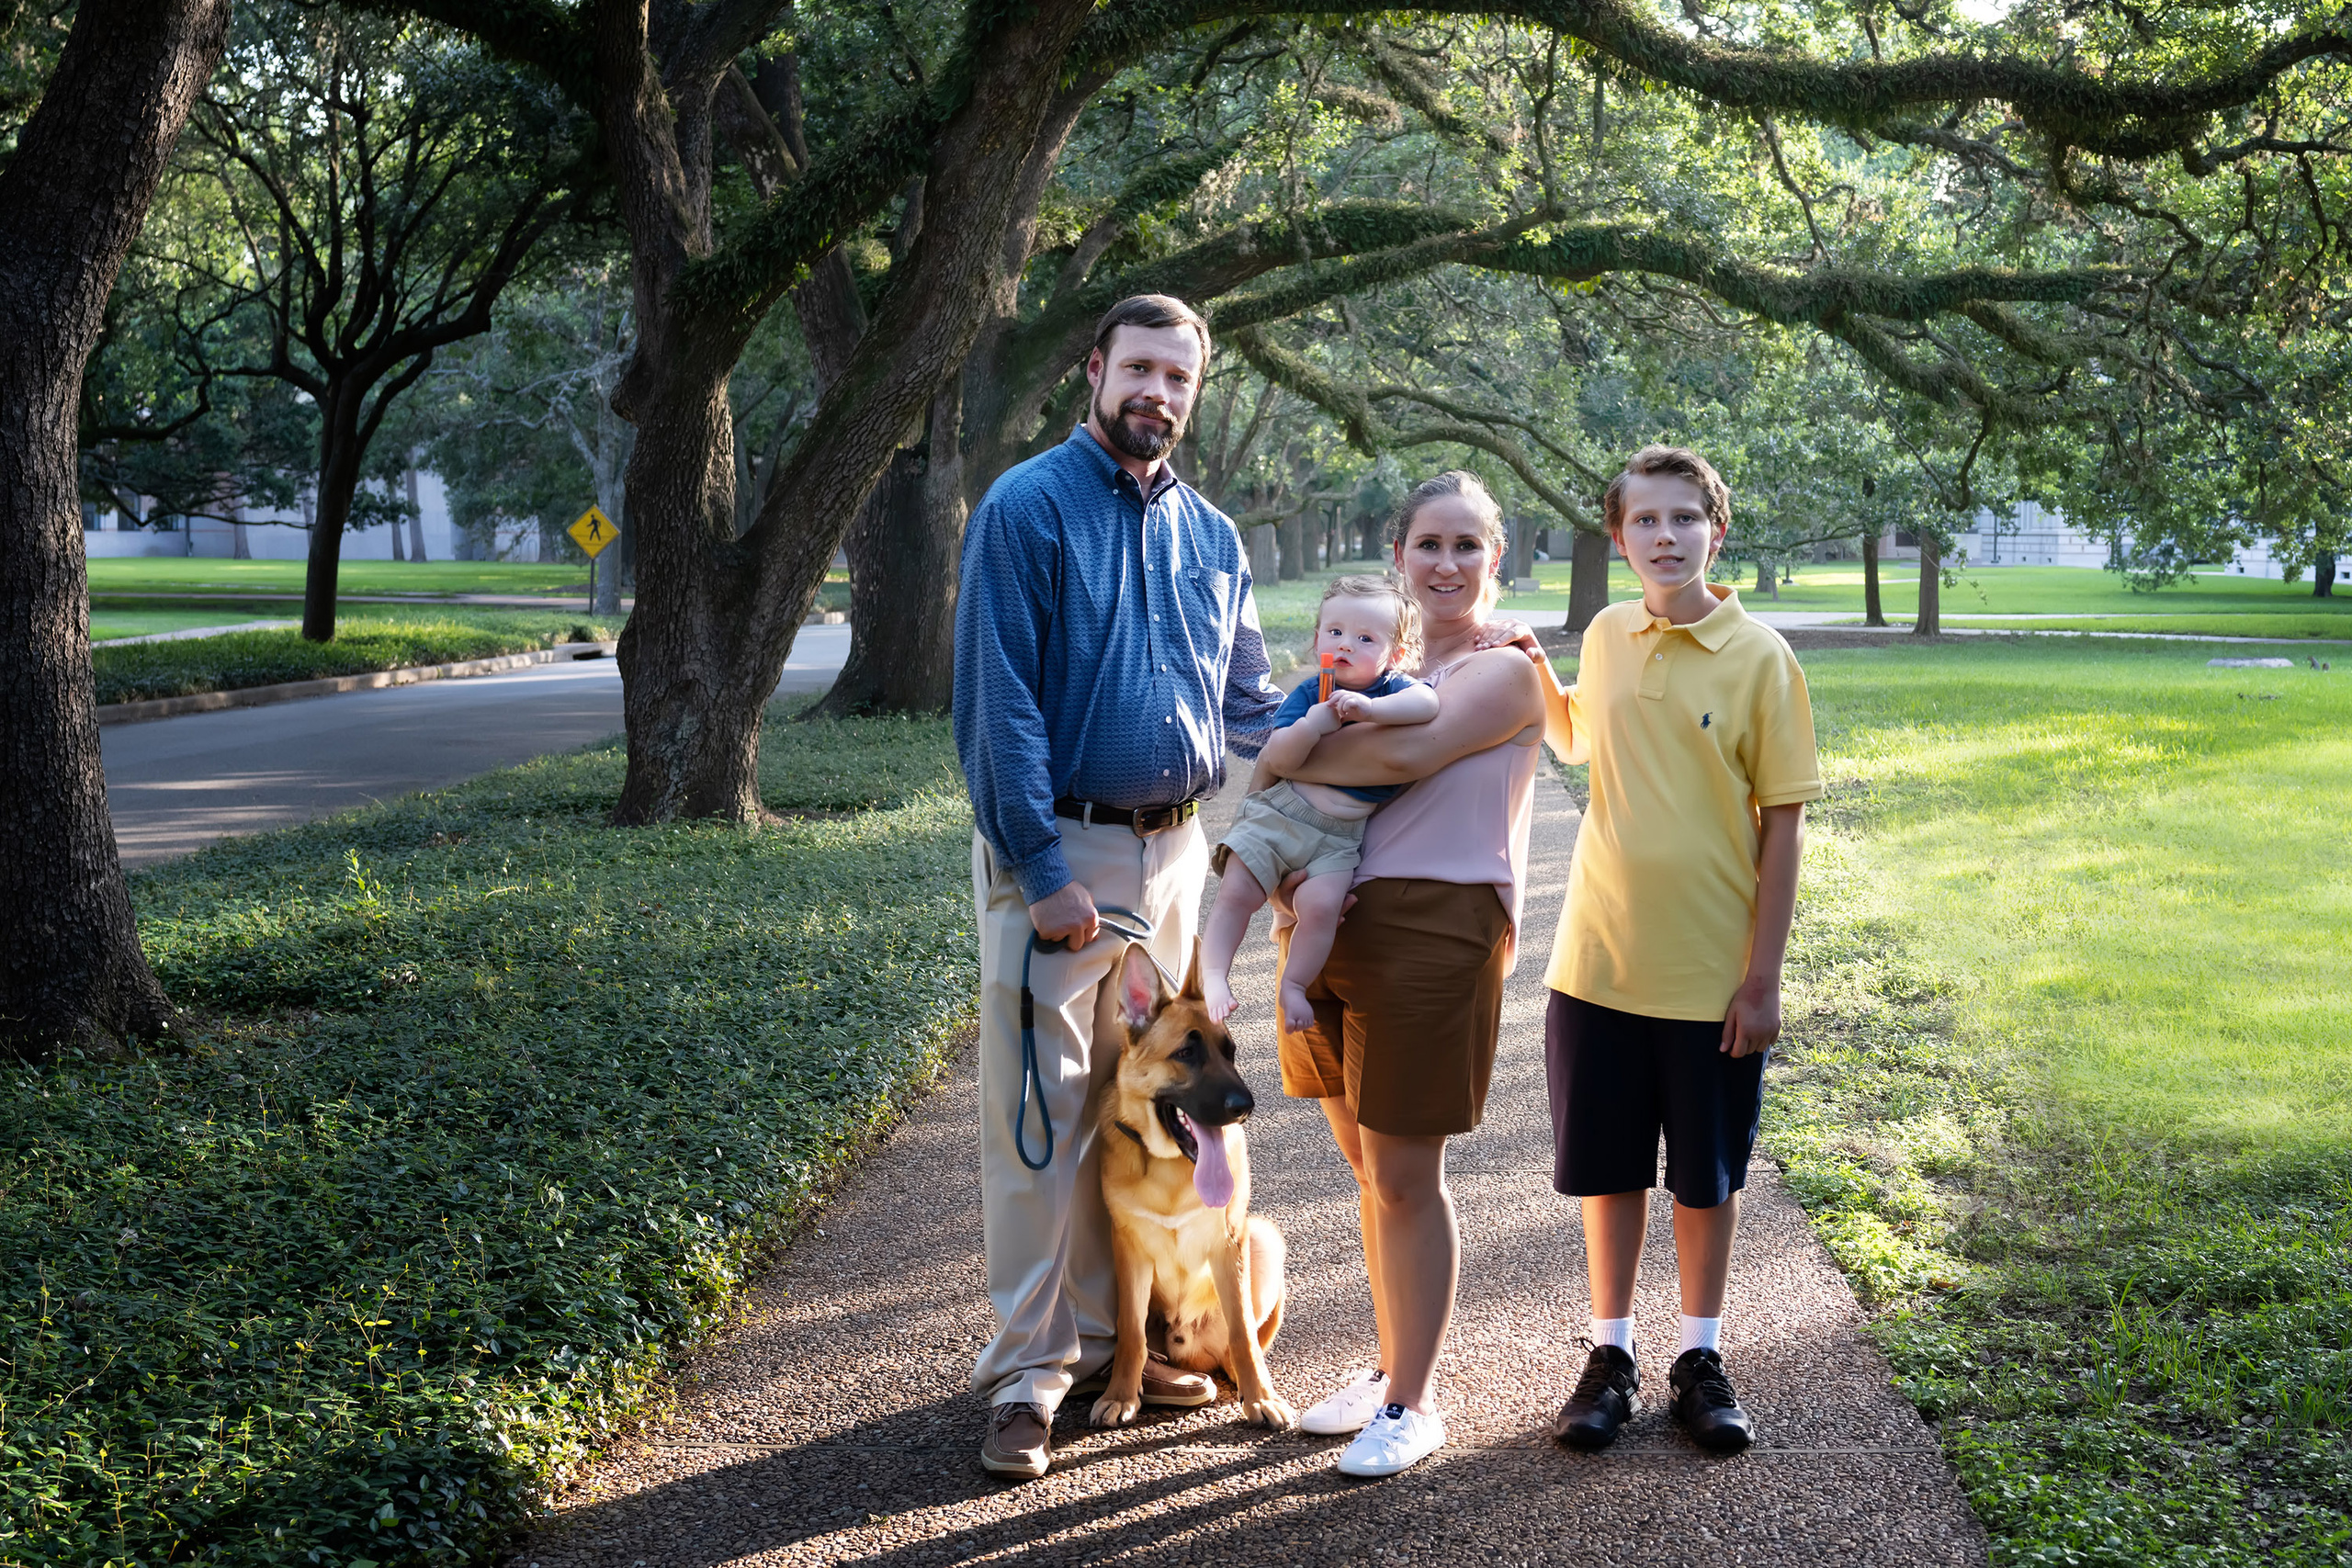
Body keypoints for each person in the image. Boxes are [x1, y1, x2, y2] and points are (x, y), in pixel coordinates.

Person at [952, 294, 1282, 1481]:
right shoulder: (1027, 510)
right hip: (1064, 856)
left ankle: (1122, 1340)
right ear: (1094, 370)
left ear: (1197, 392)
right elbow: (1001, 701)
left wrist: (1382, 707)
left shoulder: (1215, 538)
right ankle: (1034, 1373)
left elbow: (1254, 706)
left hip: (1179, 851)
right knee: (1041, 1120)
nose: (1158, 391)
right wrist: (1040, 868)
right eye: (1139, 366)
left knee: (1150, 1114)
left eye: (1179, 376)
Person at [1527, 445, 1823, 1454]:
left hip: (1710, 977)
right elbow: (1576, 739)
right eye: (1643, 522)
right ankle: (1610, 1355)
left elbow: (1782, 823)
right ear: (1617, 539)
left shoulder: (1761, 658)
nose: (1664, 537)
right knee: (1608, 1173)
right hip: (1598, 964)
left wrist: (1763, 977)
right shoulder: (1608, 634)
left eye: (1682, 519)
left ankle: (1700, 1356)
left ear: (1716, 530)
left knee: (1704, 1177)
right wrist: (1528, 665)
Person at [1263, 471, 1546, 1478]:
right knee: (1365, 1172)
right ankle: (1391, 1369)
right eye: (1429, 543)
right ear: (1398, 556)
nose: (1447, 563)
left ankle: (1413, 1403)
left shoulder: (1505, 669)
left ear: (1496, 557)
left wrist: (1294, 747)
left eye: (1468, 544)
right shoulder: (1384, 666)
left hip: (1439, 925)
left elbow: (1386, 765)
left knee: (1404, 1174)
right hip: (1333, 923)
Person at [1199, 574, 1439, 1031]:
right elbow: (1280, 757)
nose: (1345, 645)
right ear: (1317, 640)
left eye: (1366, 638)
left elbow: (1427, 705)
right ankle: (1214, 974)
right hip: (1280, 816)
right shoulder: (1312, 693)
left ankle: (1294, 985)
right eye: (1335, 632)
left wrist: (1370, 711)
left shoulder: (1391, 693)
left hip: (1338, 839)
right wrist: (1313, 725)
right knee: (1237, 892)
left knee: (1323, 908)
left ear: (1397, 655)